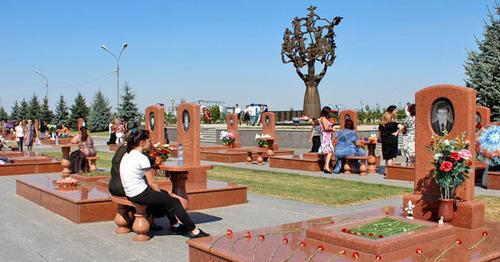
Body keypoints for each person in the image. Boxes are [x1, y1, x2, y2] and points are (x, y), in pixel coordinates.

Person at [120, 130, 209, 239]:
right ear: (142, 142)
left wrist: (163, 197)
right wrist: (164, 198)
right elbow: (152, 183)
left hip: (130, 192)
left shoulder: (127, 154)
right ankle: (194, 231)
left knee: (165, 196)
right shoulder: (141, 158)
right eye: (149, 141)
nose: (151, 143)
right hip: (140, 193)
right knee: (174, 201)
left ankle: (175, 225)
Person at [108, 132, 178, 231]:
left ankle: (134, 220)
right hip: (124, 187)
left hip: (112, 186)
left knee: (146, 193)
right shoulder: (135, 152)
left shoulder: (120, 150)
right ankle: (157, 222)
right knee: (160, 194)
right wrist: (152, 151)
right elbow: (156, 162)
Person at [319, 106, 336, 173]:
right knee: (330, 151)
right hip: (325, 136)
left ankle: (325, 167)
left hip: (327, 136)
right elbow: (325, 128)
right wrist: (332, 129)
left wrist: (331, 126)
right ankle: (326, 166)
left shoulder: (325, 118)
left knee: (327, 152)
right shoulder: (323, 118)